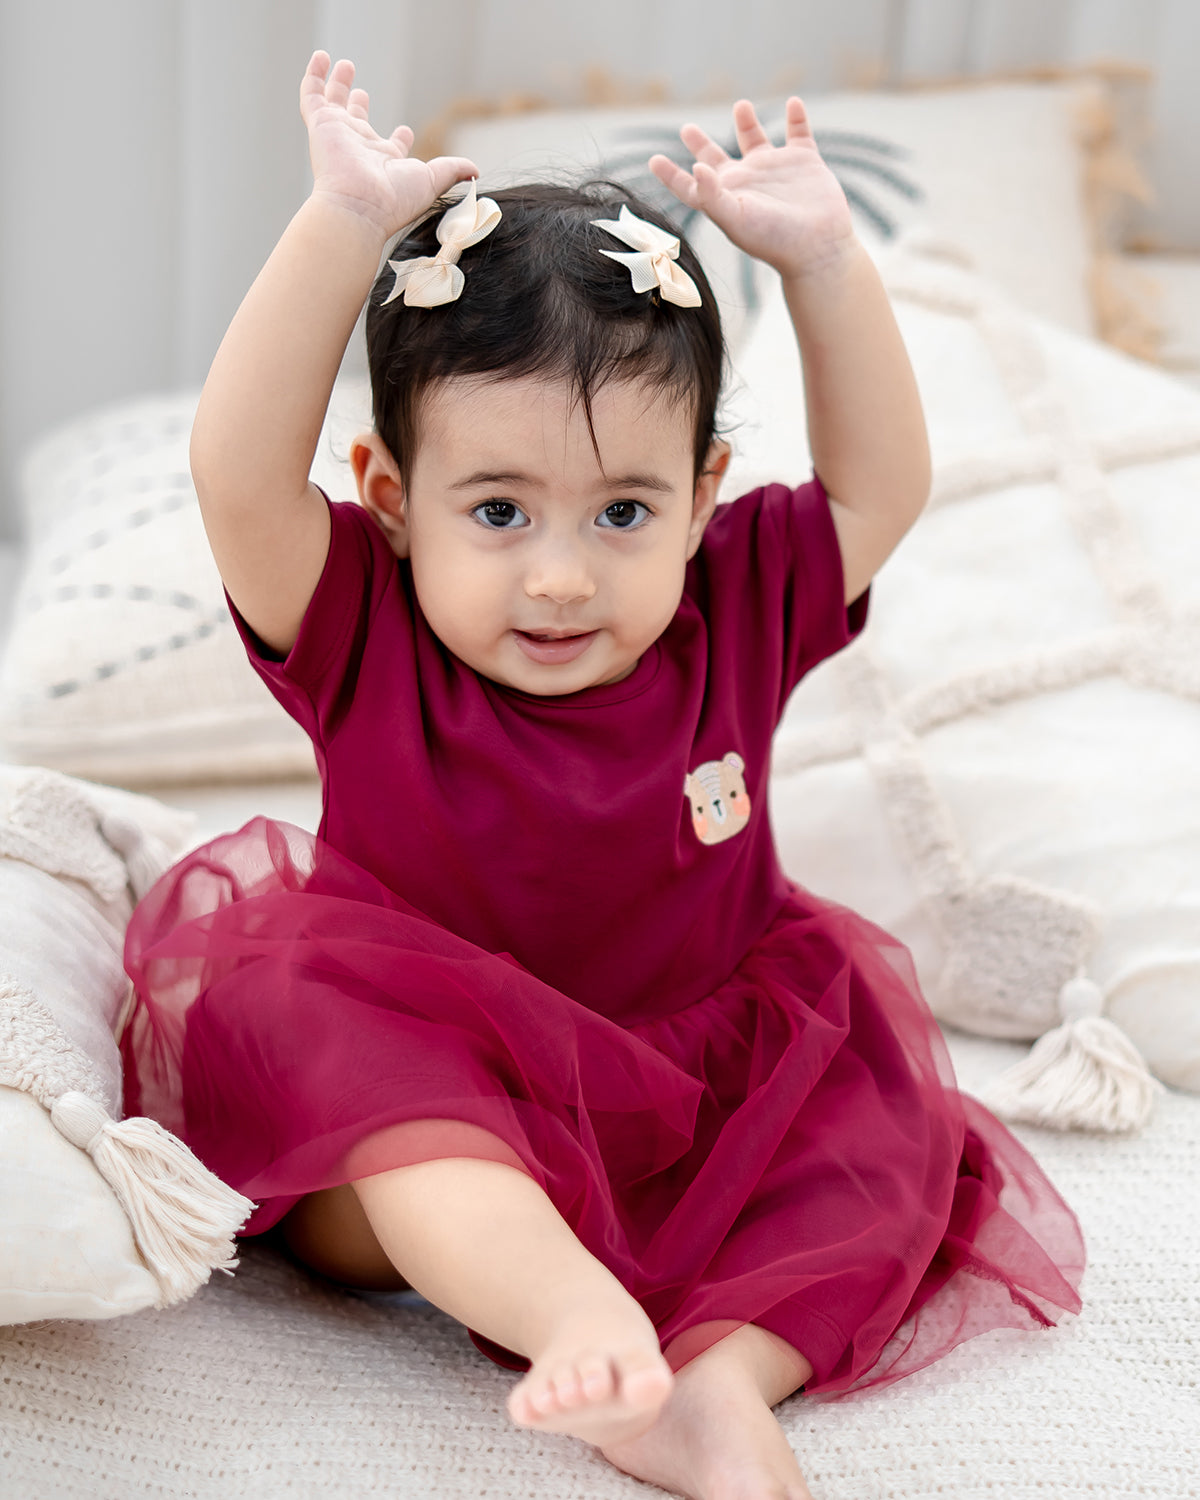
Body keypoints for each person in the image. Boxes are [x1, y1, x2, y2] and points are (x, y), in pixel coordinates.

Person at [121, 51, 1085, 1500]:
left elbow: (880, 486)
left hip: (697, 1089)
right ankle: (576, 1315)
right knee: (397, 1115)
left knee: (881, 1153)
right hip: (434, 1095)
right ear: (392, 500)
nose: (563, 577)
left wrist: (825, 263)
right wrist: (341, 223)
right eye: (499, 511)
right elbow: (235, 474)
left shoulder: (738, 601)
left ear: (702, 500)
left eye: (624, 511)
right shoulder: (361, 626)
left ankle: (716, 1388)